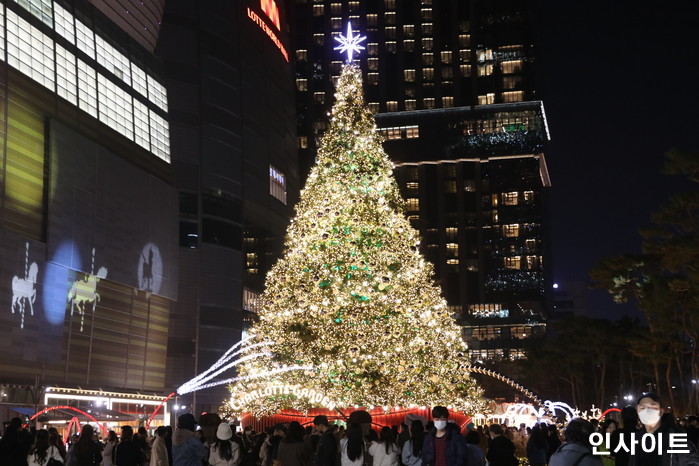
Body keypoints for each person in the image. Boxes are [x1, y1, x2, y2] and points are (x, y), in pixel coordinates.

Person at [629, 392, 699, 465]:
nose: (647, 411)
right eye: (642, 408)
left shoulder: (677, 441)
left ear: (661, 412)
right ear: (638, 412)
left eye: (652, 407)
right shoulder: (637, 440)